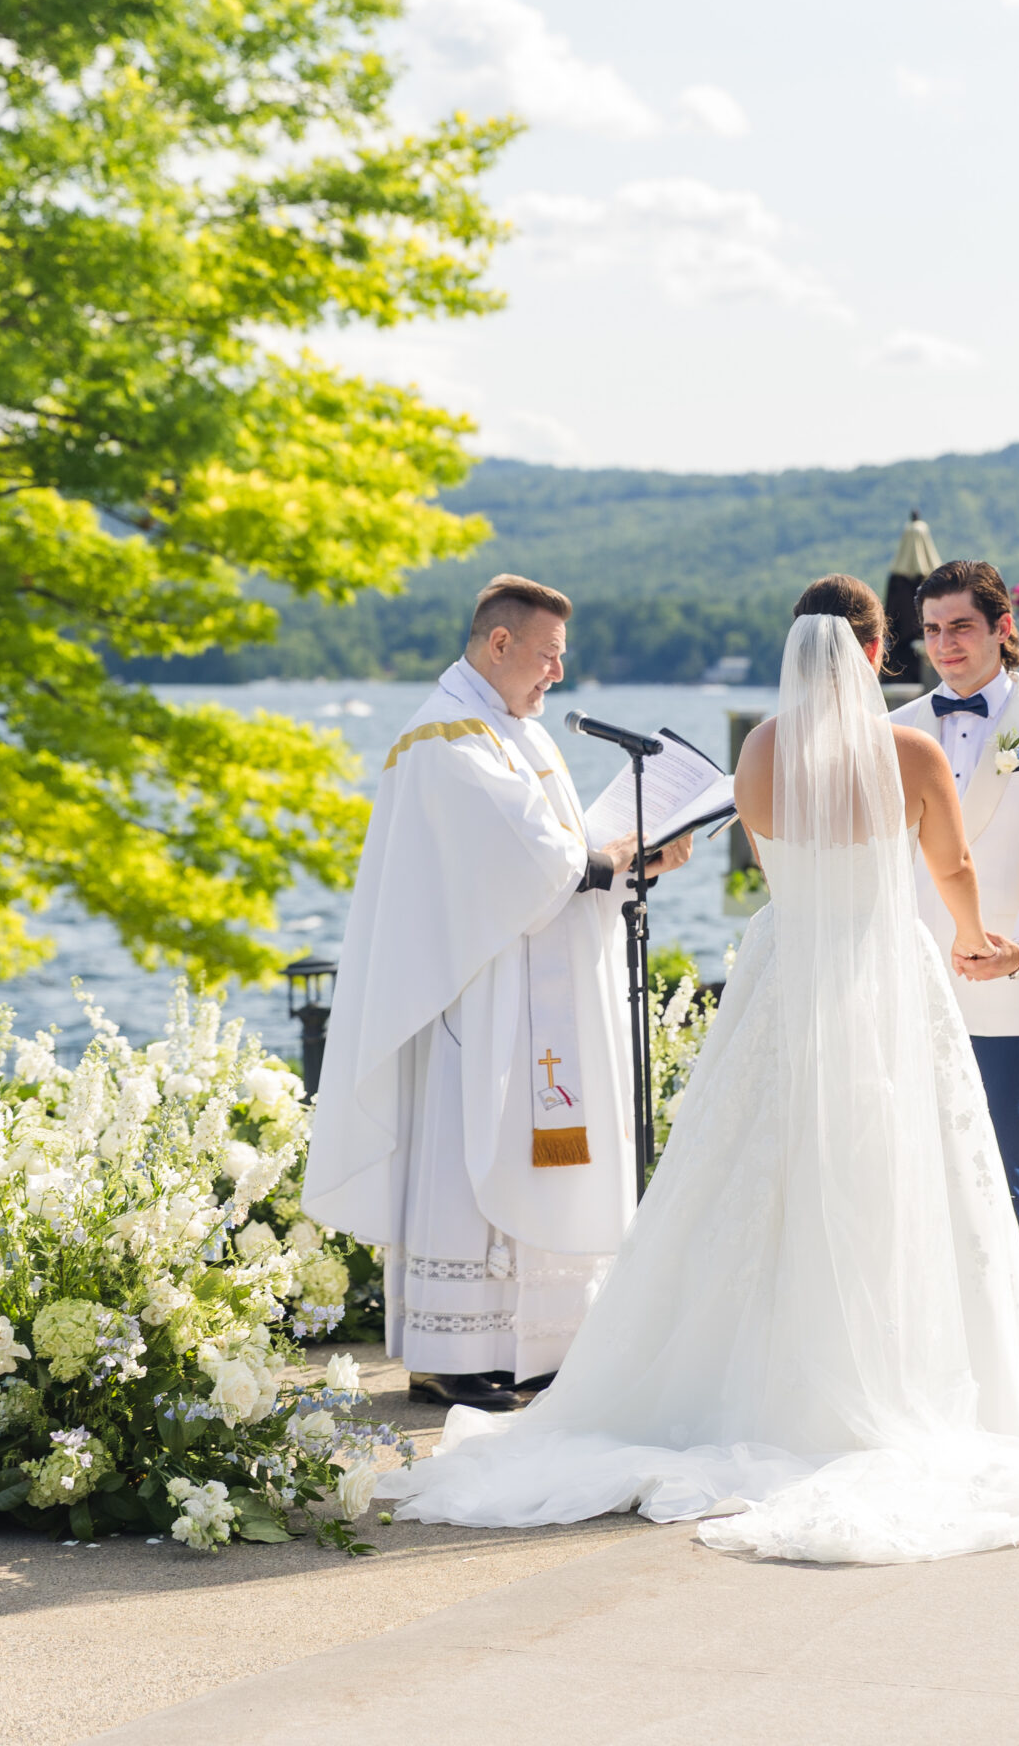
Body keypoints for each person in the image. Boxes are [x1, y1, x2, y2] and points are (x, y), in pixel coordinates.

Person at [380, 577, 1019, 1565]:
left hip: (785, 969)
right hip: (876, 966)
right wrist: (979, 931)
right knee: (890, 1169)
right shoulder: (911, 751)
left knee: (748, 1168)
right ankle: (883, 1371)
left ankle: (732, 1371)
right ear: (871, 650)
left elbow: (767, 862)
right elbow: (948, 870)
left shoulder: (764, 748)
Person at [302, 573, 692, 1412]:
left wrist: (635, 860)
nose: (557, 672)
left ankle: (540, 1344)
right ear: (500, 643)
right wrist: (615, 855)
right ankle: (455, 1352)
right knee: (466, 1158)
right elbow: (532, 860)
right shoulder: (445, 739)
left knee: (532, 1152)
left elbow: (563, 853)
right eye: (548, 655)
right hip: (473, 1000)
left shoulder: (517, 731)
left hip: (529, 990)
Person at [890, 560, 1019, 1287]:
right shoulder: (893, 732)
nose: (944, 644)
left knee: (993, 1163)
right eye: (933, 630)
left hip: (999, 983)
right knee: (900, 1168)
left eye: (961, 627)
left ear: (1001, 628)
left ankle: (1017, 1349)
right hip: (902, 982)